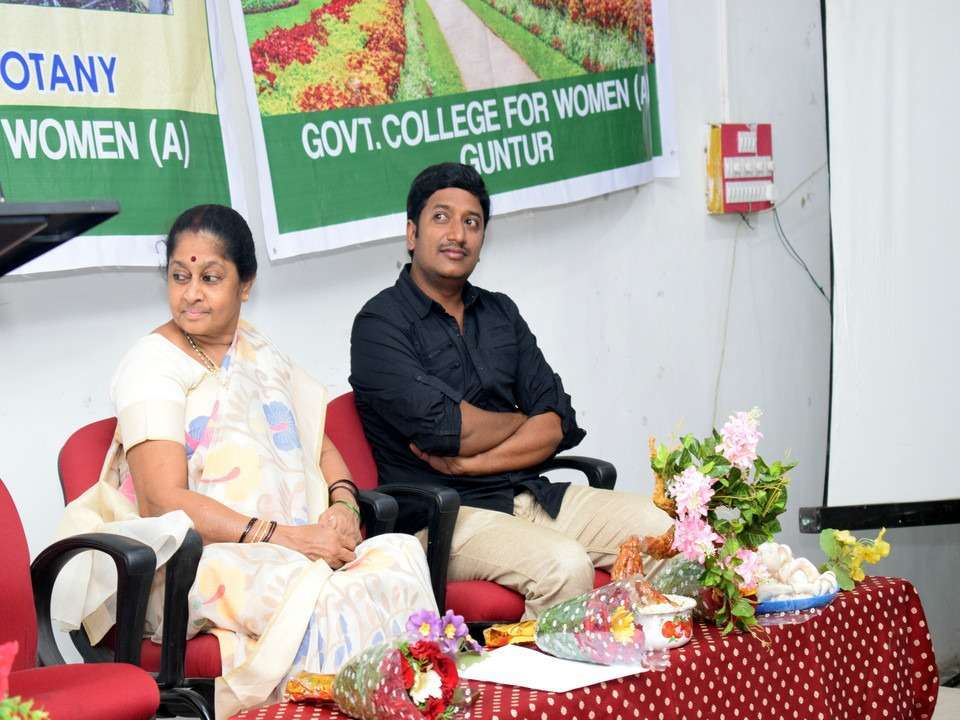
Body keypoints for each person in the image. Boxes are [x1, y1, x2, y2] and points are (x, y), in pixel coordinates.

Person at [54, 205, 436, 719]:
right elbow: (162, 501)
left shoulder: (256, 351)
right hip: (186, 563)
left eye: (210, 278)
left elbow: (317, 440)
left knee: (400, 558)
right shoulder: (151, 365)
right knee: (316, 597)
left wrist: (343, 504)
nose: (191, 293)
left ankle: (402, 703)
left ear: (246, 284)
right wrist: (292, 538)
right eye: (179, 276)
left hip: (289, 544)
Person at [349, 163, 674, 621]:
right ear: (411, 233)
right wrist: (520, 419)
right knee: (564, 567)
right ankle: (559, 692)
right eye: (440, 217)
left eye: (472, 222)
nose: (457, 234)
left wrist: (478, 460)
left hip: (528, 495)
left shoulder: (500, 313)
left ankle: (644, 677)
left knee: (670, 532)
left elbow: (557, 420)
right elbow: (448, 433)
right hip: (444, 519)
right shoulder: (379, 324)